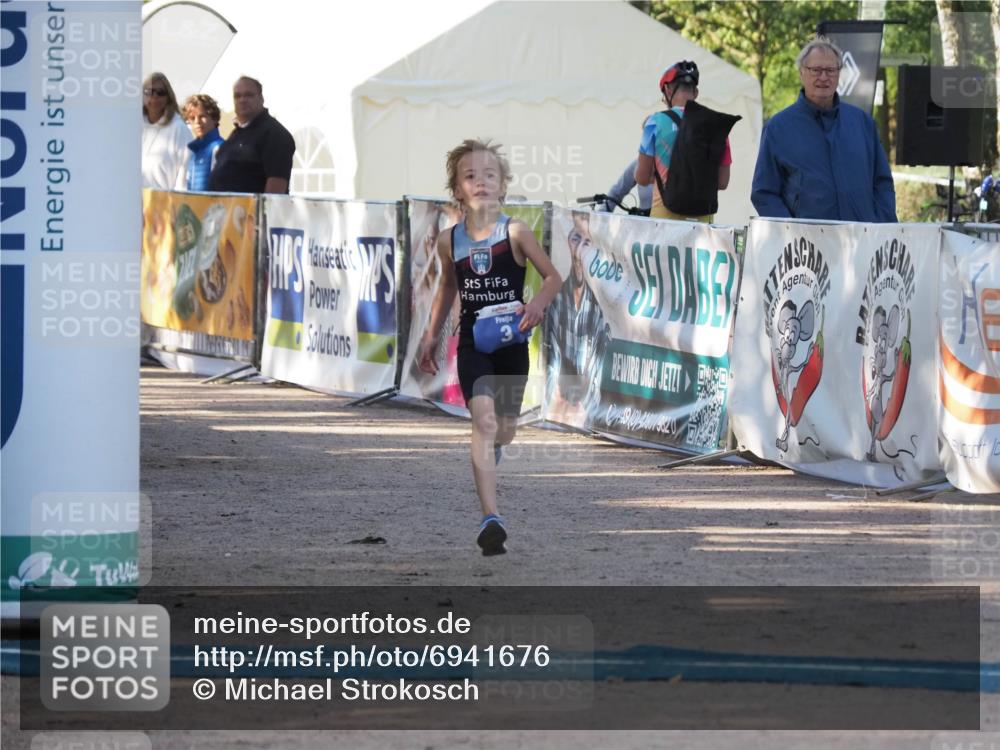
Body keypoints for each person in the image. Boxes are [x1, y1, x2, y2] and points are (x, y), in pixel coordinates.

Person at [417, 139, 562, 556]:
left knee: (506, 430)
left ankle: (496, 446)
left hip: (512, 344)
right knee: (481, 422)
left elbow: (552, 277)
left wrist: (535, 305)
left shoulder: (515, 231)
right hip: (474, 344)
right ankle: (491, 518)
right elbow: (447, 287)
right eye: (470, 176)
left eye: (489, 175)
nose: (480, 182)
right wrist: (431, 336)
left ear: (502, 185)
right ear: (457, 189)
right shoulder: (449, 241)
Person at [751, 36, 896, 222]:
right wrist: (790, 231)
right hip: (807, 245)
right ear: (802, 72)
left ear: (839, 74)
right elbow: (764, 193)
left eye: (830, 70)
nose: (823, 77)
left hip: (862, 240)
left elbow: (882, 182)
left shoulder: (863, 123)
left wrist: (882, 227)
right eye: (816, 70)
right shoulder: (778, 128)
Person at [634, 60, 732, 221]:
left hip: (664, 220)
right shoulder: (716, 124)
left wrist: (670, 179)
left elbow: (642, 178)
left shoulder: (654, 123)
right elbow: (722, 182)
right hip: (703, 223)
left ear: (667, 90)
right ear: (696, 92)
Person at [544, 212, 611, 423]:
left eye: (588, 242)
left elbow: (596, 383)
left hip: (583, 414)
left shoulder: (600, 312)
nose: (580, 249)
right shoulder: (556, 303)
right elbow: (550, 368)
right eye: (576, 239)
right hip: (558, 410)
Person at [208, 76, 295, 194]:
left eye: (248, 95)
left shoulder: (275, 135)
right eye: (237, 96)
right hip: (221, 209)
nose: (242, 100)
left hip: (250, 211)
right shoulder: (236, 134)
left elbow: (274, 194)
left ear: (261, 98)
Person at [141, 72, 191, 190]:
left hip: (163, 203)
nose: (154, 97)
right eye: (149, 92)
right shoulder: (133, 126)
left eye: (160, 92)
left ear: (168, 97)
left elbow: (185, 171)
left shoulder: (178, 128)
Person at [180, 94, 225, 192]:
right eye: (192, 118)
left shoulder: (219, 148)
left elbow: (219, 189)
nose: (197, 122)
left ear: (214, 118)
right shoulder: (190, 149)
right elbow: (183, 186)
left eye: (202, 116)